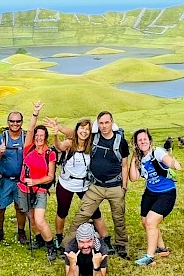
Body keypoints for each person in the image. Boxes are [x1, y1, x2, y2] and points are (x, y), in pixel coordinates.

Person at [55, 111, 130, 259]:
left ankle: (121, 245)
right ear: (98, 124)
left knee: (119, 217)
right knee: (81, 215)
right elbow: (76, 133)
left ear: (112, 122)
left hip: (115, 186)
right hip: (95, 186)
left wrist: (124, 187)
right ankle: (66, 246)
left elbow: (125, 164)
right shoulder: (94, 137)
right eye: (101, 123)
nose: (104, 126)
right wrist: (58, 128)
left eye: (106, 122)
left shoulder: (121, 141)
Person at [48, 117, 108, 249]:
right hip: (66, 184)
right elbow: (59, 146)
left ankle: (106, 239)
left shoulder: (92, 144)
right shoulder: (70, 143)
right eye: (82, 128)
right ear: (77, 129)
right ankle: (59, 237)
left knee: (95, 212)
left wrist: (60, 128)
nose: (84, 131)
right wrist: (56, 134)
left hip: (85, 185)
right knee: (62, 211)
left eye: (87, 129)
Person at [127, 129, 182, 266]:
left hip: (166, 192)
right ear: (136, 144)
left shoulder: (157, 152)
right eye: (139, 140)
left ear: (150, 141)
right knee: (145, 222)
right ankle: (161, 248)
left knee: (151, 222)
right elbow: (133, 178)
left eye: (145, 139)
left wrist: (173, 164)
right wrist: (133, 159)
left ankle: (149, 256)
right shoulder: (139, 158)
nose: (143, 141)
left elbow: (167, 160)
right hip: (150, 192)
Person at [18, 101, 60, 261]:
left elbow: (50, 176)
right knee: (31, 217)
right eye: (37, 136)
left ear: (46, 138)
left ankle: (51, 247)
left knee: (40, 220)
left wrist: (34, 182)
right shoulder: (28, 148)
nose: (39, 138)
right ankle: (39, 239)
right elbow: (29, 129)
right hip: (23, 189)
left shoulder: (50, 153)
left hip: (40, 190)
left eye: (42, 136)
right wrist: (35, 113)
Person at [0, 111, 28, 246]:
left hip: (21, 180)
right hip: (4, 180)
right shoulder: (1, 138)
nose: (15, 124)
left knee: (21, 208)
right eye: (12, 121)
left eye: (18, 121)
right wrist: (0, 152)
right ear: (8, 123)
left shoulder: (26, 138)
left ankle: (21, 231)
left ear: (22, 123)